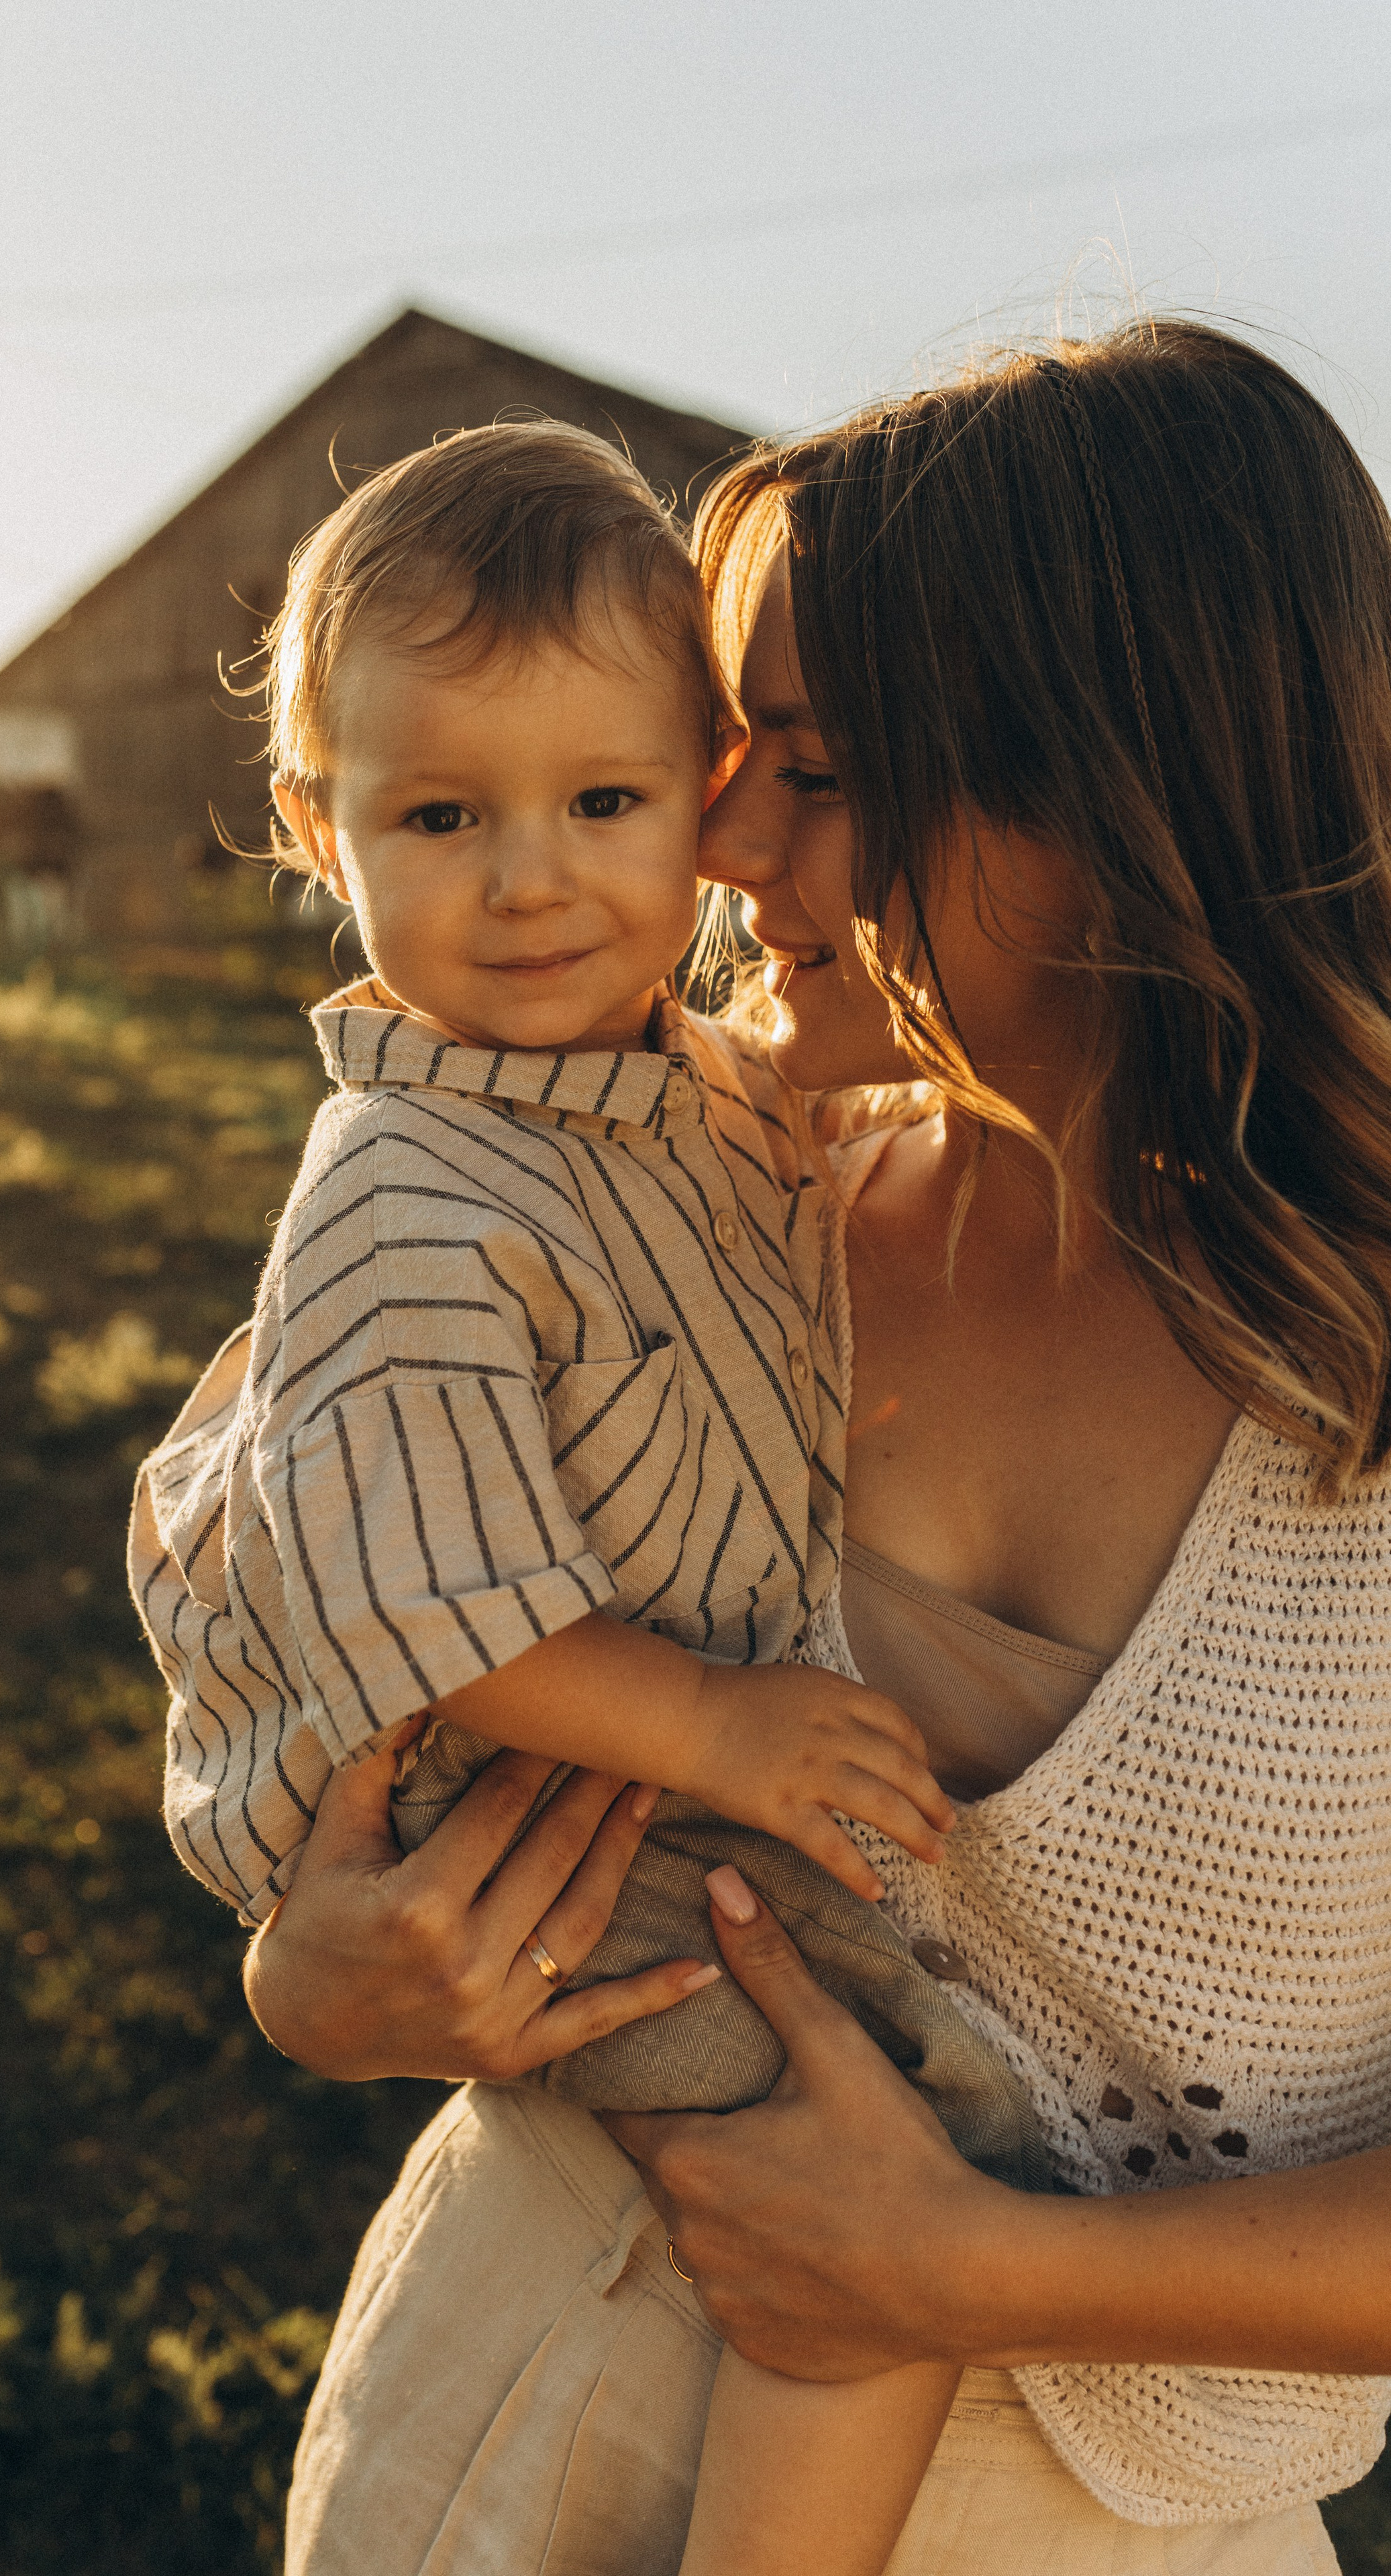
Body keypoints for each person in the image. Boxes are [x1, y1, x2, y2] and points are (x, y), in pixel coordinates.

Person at [236, 319, 1391, 2576]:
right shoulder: (678, 1179)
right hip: (513, 2383)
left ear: (1129, 800)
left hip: (1084, 2518)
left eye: (826, 767)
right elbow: (294, 1594)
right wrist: (319, 1971)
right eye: (728, 747)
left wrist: (971, 2273)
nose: (723, 834)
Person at [132, 419, 1055, 2576]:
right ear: (315, 827)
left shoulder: (708, 1094)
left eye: (606, 803)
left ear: (702, 785)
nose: (533, 877)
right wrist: (725, 1729)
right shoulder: (408, 1200)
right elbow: (427, 1610)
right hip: (537, 1818)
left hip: (643, 1784)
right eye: (440, 815)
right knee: (872, 2190)